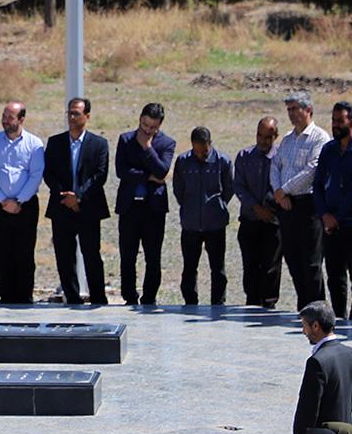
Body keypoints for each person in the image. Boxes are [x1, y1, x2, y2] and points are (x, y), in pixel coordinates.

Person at [43, 98, 111, 305]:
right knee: (64, 256)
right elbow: (49, 173)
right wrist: (65, 196)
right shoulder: (55, 143)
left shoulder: (99, 144)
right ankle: (72, 298)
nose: (72, 118)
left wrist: (78, 196)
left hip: (88, 208)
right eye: (70, 113)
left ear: (87, 116)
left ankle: (98, 298)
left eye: (76, 114)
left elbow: (100, 175)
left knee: (91, 255)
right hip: (62, 207)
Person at [312, 101, 352, 322]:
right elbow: (318, 184)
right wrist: (324, 215)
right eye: (333, 120)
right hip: (329, 225)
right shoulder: (328, 149)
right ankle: (338, 318)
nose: (335, 125)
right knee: (335, 276)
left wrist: (336, 218)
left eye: (340, 121)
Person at [0, 102, 45, 303]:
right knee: (1, 253)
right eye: (4, 116)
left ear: (21, 119)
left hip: (26, 207)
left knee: (24, 253)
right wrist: (2, 200)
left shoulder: (34, 144)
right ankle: (6, 296)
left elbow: (36, 175)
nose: (5, 121)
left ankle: (24, 297)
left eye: (10, 117)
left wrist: (19, 201)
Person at [271, 92, 331, 309]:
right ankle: (303, 308)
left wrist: (284, 190)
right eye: (289, 110)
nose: (291, 114)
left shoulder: (319, 138)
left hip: (308, 205)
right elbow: (275, 165)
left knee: (311, 262)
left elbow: (312, 170)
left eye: (295, 109)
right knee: (293, 258)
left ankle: (317, 310)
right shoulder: (287, 140)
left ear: (308, 110)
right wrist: (278, 192)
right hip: (286, 206)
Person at [114, 103, 177, 306]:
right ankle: (129, 297)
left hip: (153, 209)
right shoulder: (125, 140)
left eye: (152, 127)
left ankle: (149, 298)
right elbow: (121, 171)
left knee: (153, 256)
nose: (147, 130)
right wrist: (148, 176)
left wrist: (147, 148)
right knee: (127, 256)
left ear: (160, 125)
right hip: (129, 207)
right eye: (145, 125)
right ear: (140, 119)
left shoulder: (166, 143)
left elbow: (162, 171)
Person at [172, 127, 235, 305]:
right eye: (197, 151)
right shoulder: (183, 161)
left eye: (204, 151)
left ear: (210, 143)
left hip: (215, 223)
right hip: (190, 224)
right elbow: (178, 189)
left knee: (218, 268)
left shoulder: (222, 162)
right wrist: (189, 207)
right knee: (189, 267)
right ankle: (190, 302)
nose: (201, 155)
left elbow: (229, 189)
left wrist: (217, 206)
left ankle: (218, 304)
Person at [232, 117, 282, 308]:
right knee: (250, 265)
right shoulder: (244, 156)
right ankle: (251, 303)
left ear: (275, 136)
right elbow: (239, 186)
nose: (262, 140)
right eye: (259, 135)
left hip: (272, 223)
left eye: (267, 137)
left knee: (271, 266)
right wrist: (256, 208)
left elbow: (282, 185)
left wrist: (270, 208)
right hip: (250, 220)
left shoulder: (281, 157)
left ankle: (269, 305)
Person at [294, 301, 352, 434]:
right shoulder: (350, 353)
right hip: (345, 433)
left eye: (304, 325)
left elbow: (308, 409)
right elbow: (350, 399)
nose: (303, 331)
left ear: (315, 326)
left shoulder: (317, 361)